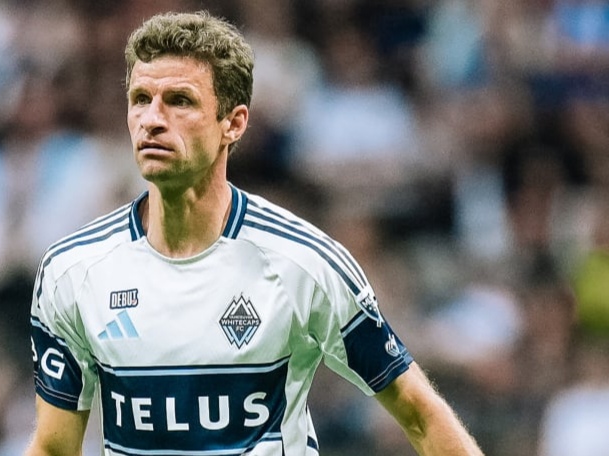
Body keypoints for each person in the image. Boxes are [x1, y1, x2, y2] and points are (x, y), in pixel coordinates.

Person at [25, 11, 484, 456]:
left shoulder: (303, 262)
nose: (152, 119)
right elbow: (54, 446)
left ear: (234, 122)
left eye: (180, 101)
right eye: (141, 99)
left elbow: (420, 414)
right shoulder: (72, 271)